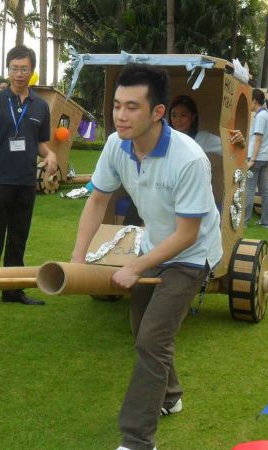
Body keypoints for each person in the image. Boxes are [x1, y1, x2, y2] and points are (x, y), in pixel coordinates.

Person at [70, 63, 222, 450]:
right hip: (154, 244)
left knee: (152, 340)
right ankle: (170, 396)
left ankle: (137, 440)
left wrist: (134, 266)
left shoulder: (188, 158)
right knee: (142, 331)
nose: (120, 115)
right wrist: (77, 260)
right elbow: (97, 200)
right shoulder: (115, 145)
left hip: (191, 253)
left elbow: (188, 234)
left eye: (132, 107)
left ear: (158, 112)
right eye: (117, 105)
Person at [0, 45, 58, 307]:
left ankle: (14, 290)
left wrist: (49, 155)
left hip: (26, 181)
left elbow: (39, 143)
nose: (19, 74)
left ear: (31, 71)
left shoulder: (40, 106)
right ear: (8, 69)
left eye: (24, 69)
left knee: (18, 237)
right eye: (15, 68)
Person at [167, 95, 244, 154]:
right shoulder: (165, 138)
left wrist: (239, 142)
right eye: (174, 115)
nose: (178, 120)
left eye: (183, 115)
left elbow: (230, 149)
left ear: (193, 117)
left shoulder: (201, 138)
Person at [244, 89, 268, 227]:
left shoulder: (261, 116)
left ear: (254, 101)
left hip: (256, 159)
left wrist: (251, 160)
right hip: (263, 158)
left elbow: (258, 139)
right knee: (264, 190)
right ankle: (267, 221)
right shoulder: (267, 115)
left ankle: (243, 222)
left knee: (249, 189)